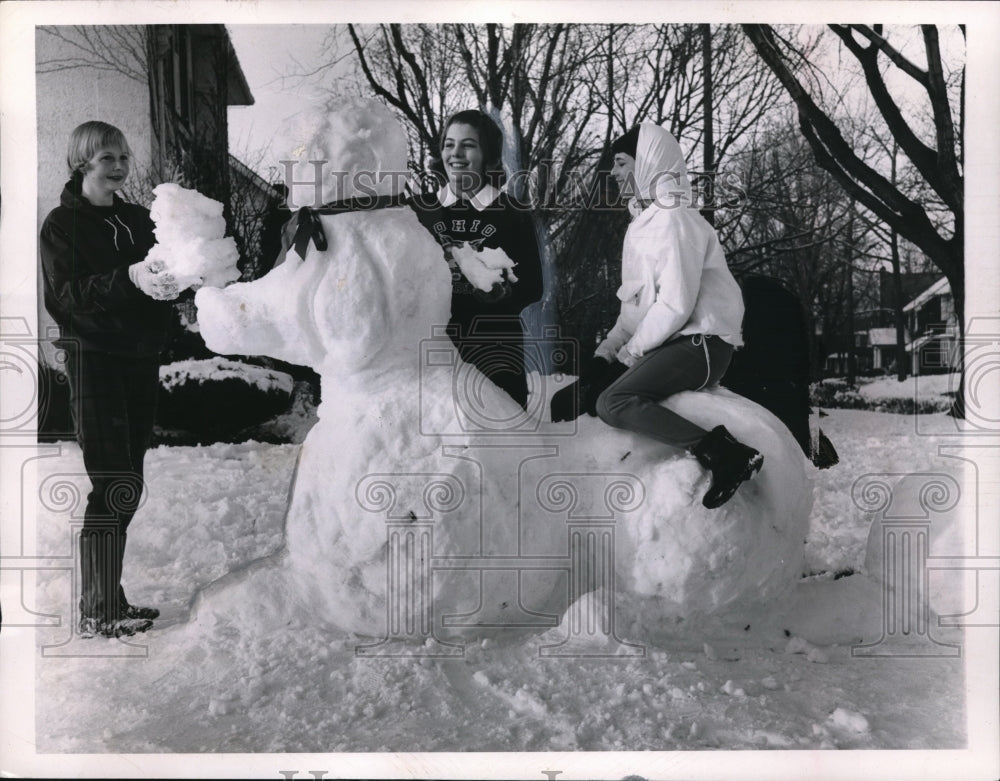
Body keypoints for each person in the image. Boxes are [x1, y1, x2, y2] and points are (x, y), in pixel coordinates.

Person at [551, 123, 762, 509]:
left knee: (613, 402)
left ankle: (726, 454)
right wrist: (605, 355)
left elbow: (675, 306)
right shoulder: (641, 226)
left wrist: (628, 358)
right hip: (671, 343)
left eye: (620, 162)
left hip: (701, 346)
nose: (612, 173)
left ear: (648, 162)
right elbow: (633, 310)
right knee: (575, 399)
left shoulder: (675, 219)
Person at [40, 121, 179, 638]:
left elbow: (161, 276)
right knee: (112, 483)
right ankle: (98, 609)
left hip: (137, 360)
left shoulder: (141, 220)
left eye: (122, 156)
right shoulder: (61, 225)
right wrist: (129, 279)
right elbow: (67, 296)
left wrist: (175, 284)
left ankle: (107, 599)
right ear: (82, 163)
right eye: (106, 158)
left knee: (129, 482)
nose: (118, 166)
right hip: (93, 360)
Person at [408, 110, 544, 409]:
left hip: (494, 350)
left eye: (468, 145)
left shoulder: (513, 213)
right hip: (432, 352)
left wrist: (493, 292)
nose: (455, 153)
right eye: (449, 144)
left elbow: (533, 288)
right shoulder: (418, 211)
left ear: (489, 156)